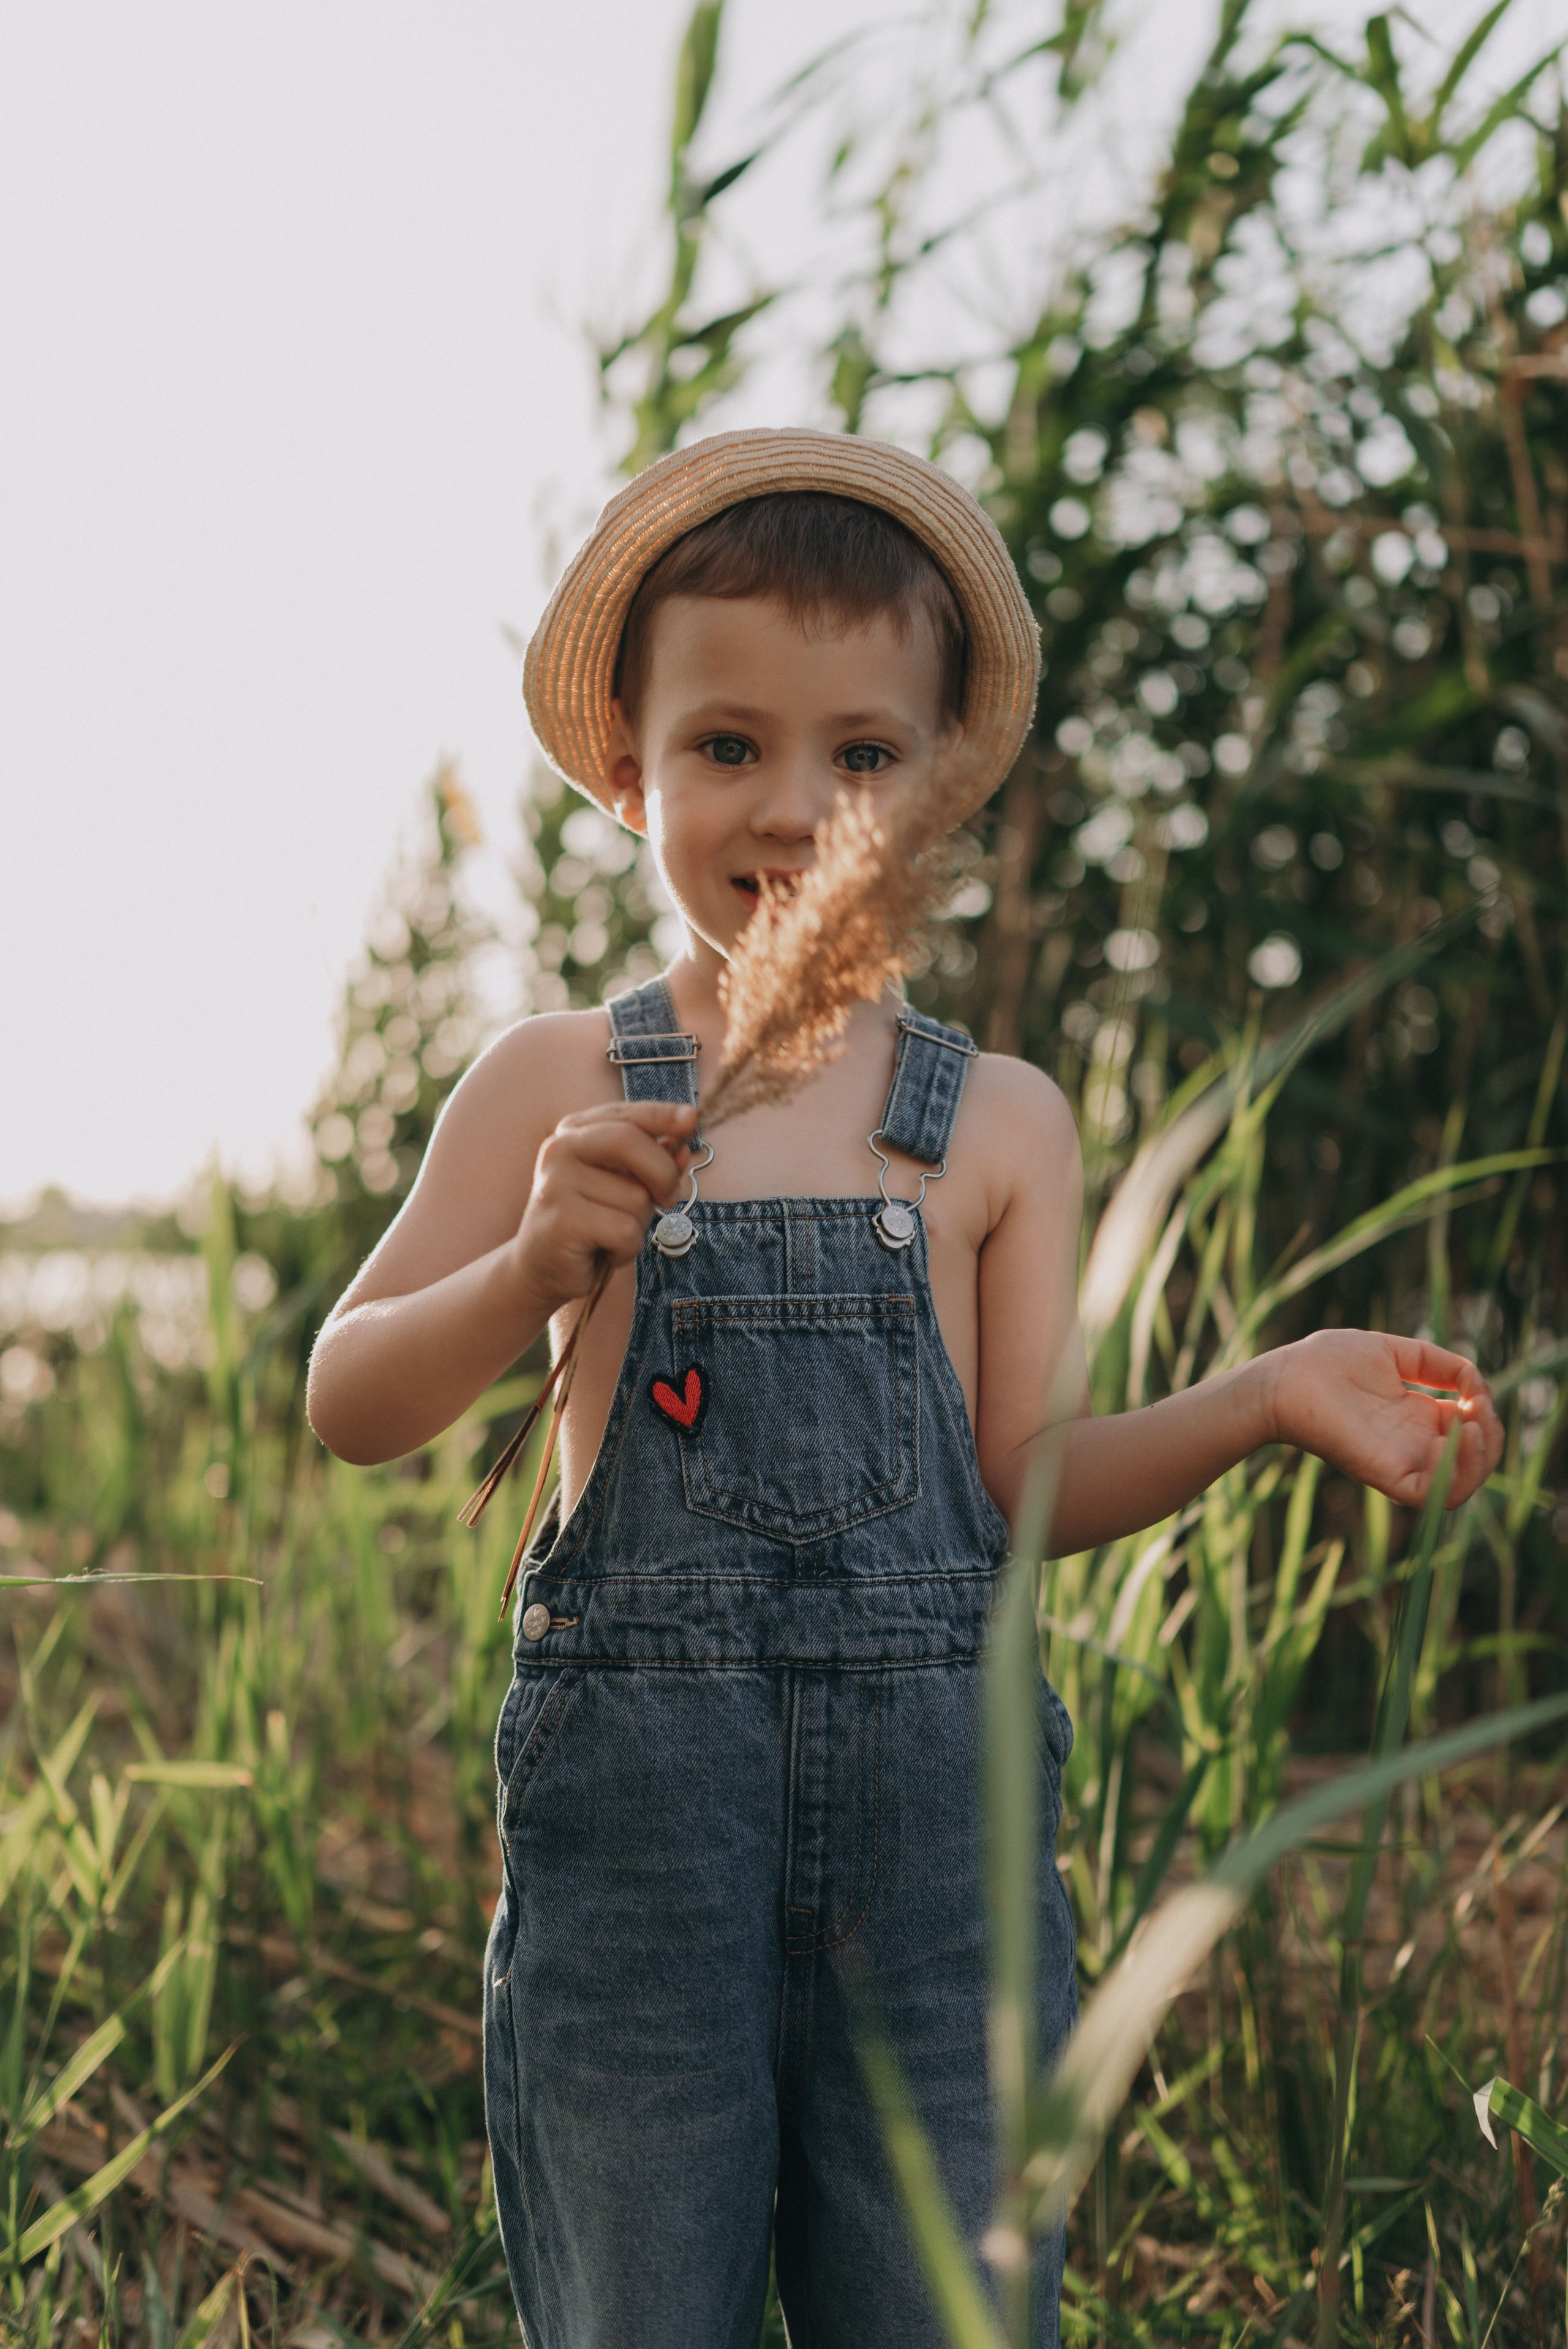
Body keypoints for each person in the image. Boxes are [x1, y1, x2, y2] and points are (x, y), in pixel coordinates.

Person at [306, 428, 1503, 2349]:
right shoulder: (550, 1084)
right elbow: (350, 1396)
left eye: (864, 757)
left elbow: (1018, 1480)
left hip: (933, 1877)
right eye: (728, 747)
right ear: (627, 764)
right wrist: (530, 1268)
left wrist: (1265, 1395)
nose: (795, 808)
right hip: (641, 1874)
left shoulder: (998, 1122)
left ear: (937, 791)